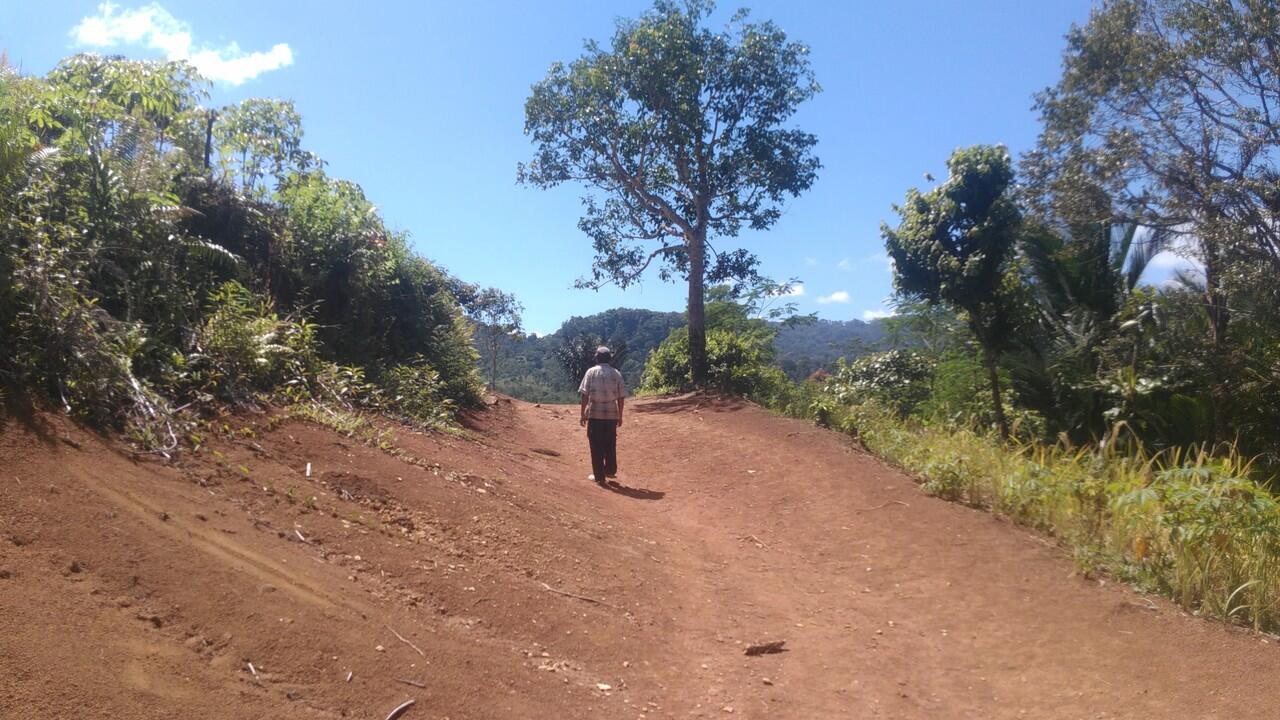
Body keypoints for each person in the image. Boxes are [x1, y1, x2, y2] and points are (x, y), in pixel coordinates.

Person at [578, 346, 626, 486]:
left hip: (595, 413)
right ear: (609, 358)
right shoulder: (616, 373)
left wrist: (582, 415)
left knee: (596, 444)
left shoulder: (591, 372)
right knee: (610, 442)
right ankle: (610, 469)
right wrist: (620, 415)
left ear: (597, 358)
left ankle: (599, 476)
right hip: (611, 413)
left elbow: (584, 395)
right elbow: (621, 397)